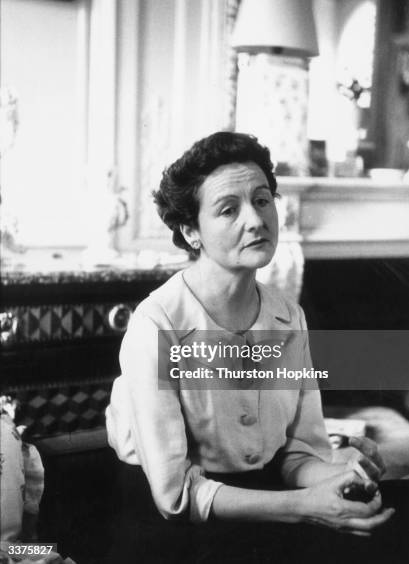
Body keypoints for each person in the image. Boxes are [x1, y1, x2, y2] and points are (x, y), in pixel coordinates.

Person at [106, 132, 397, 563]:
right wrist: (306, 508)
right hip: (170, 527)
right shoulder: (157, 327)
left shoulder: (288, 316)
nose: (256, 219)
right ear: (191, 231)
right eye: (229, 209)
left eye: (262, 200)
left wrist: (341, 476)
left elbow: (299, 453)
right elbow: (176, 497)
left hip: (265, 503)